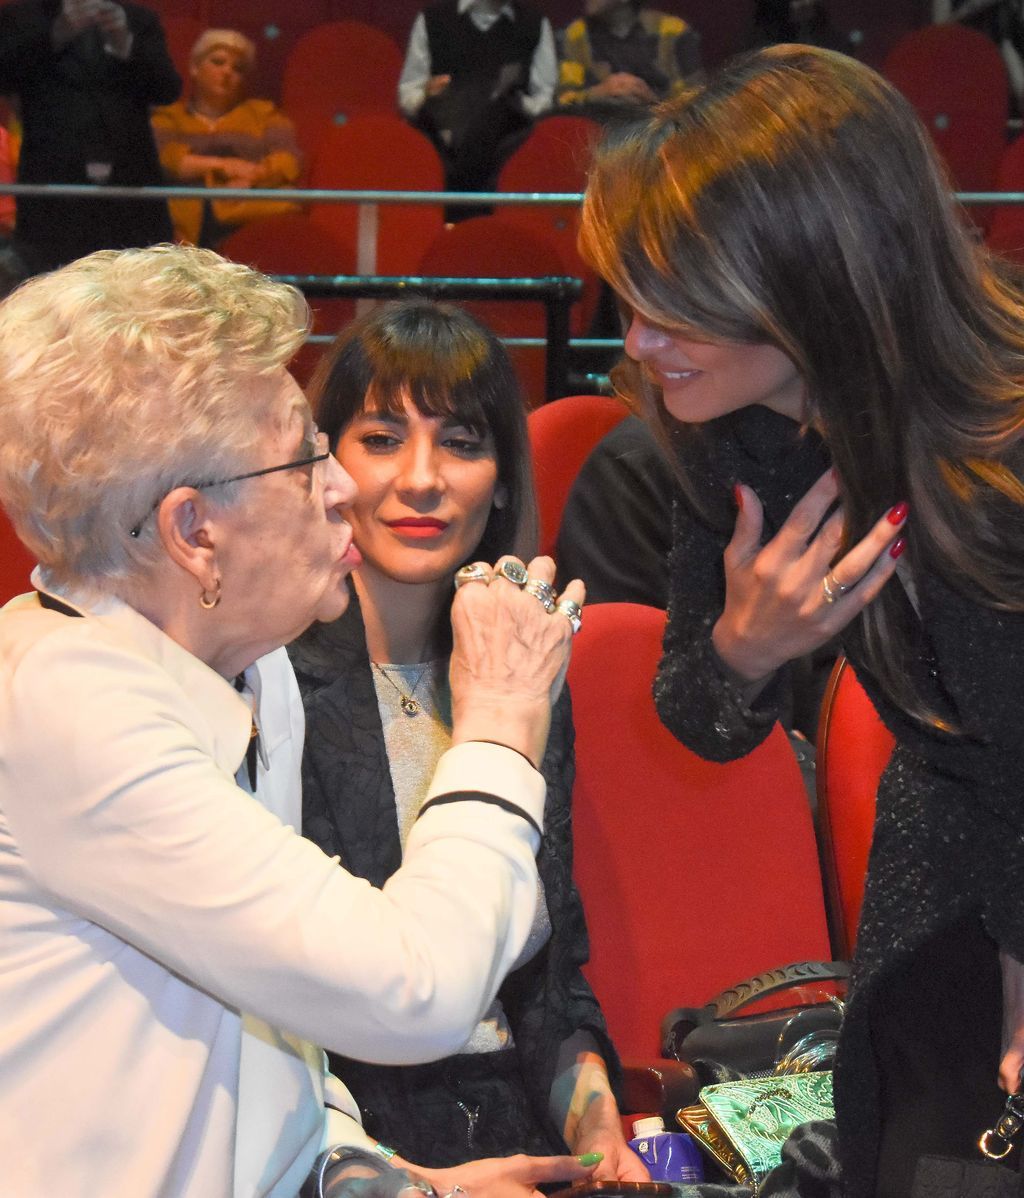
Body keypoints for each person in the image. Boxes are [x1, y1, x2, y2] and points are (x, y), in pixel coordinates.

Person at [0, 243, 592, 1197]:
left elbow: (267, 1031)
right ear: (196, 534)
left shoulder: (252, 666)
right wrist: (502, 720)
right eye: (306, 453)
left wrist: (379, 1172)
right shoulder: (63, 708)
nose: (344, 488)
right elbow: (422, 990)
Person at [578, 44, 1024, 1196]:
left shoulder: (997, 444)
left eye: (671, 307)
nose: (636, 342)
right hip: (936, 896)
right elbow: (702, 715)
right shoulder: (732, 439)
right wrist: (749, 646)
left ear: (810, 282)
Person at [288, 300, 644, 1182]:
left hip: (517, 1134)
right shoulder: (267, 682)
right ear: (323, 466)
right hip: (338, 1153)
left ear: (503, 479)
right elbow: (279, 1026)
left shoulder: (515, 666)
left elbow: (549, 985)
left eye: (460, 442)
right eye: (380, 439)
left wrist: (602, 1139)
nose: (422, 479)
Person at [0, 0, 180, 273]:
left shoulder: (138, 20)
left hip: (129, 175)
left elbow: (167, 90)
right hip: (53, 174)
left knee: (135, 277)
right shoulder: (22, 16)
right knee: (51, 277)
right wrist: (57, 34)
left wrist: (125, 44)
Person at [397, 0, 556, 219]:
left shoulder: (534, 23)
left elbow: (544, 100)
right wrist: (427, 94)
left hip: (506, 148)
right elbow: (408, 95)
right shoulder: (434, 19)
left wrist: (512, 102)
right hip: (445, 146)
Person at [151, 28, 302, 248]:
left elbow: (289, 160)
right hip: (181, 226)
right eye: (218, 62)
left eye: (237, 68)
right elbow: (164, 158)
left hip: (248, 217)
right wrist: (225, 166)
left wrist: (252, 177)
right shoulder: (169, 116)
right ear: (195, 67)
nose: (227, 71)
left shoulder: (264, 114)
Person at [557, 0, 703, 116]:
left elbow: (698, 99)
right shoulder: (576, 35)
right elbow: (563, 100)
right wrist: (596, 95)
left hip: (662, 134)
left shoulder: (673, 30)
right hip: (601, 135)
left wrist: (652, 101)